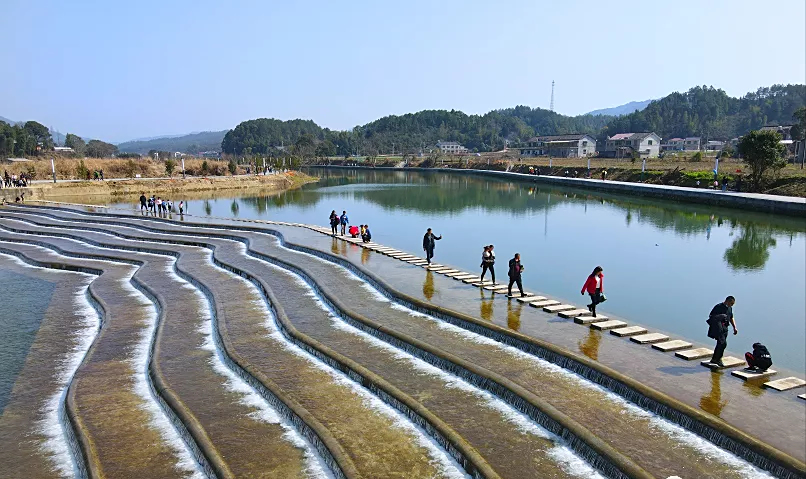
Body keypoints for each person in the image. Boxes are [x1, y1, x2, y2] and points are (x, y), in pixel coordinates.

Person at [706, 296, 738, 368]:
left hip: (725, 328)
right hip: (718, 328)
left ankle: (715, 359)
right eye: (731, 303)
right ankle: (718, 359)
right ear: (727, 301)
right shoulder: (718, 306)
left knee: (720, 344)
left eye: (733, 304)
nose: (731, 305)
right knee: (723, 343)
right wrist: (720, 316)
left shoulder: (730, 308)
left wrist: (734, 327)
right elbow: (711, 316)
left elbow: (731, 317)